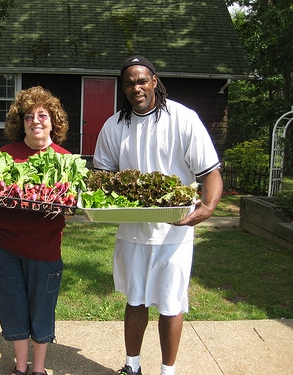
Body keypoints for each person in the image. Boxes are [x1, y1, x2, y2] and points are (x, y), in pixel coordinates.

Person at [93, 56, 223, 375]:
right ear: (122, 88)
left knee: (170, 303)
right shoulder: (114, 126)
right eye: (129, 83)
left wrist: (206, 208)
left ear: (154, 81)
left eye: (141, 80)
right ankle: (132, 366)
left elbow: (211, 172)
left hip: (174, 231)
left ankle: (168, 371)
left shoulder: (183, 119)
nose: (136, 87)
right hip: (132, 230)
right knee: (135, 300)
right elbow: (101, 178)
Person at [0, 86, 71, 375]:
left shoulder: (65, 158)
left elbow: (70, 204)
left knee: (42, 309)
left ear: (53, 120)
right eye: (28, 116)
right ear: (20, 122)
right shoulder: (5, 154)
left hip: (45, 248)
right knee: (12, 307)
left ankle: (39, 369)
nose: (35, 121)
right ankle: (20, 368)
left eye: (43, 115)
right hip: (6, 246)